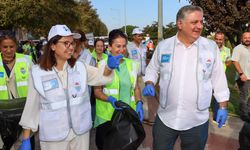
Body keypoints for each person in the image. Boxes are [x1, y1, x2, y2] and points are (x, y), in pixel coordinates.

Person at [19, 24, 123, 150]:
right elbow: (32, 106)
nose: (71, 47)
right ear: (52, 46)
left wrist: (108, 67)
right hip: (53, 137)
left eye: (72, 43)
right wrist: (26, 138)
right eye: (66, 43)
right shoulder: (37, 72)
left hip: (80, 133)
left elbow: (100, 76)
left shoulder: (80, 67)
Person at [143, 5, 230, 150]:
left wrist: (223, 106)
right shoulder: (164, 46)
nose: (199, 26)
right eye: (194, 22)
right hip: (166, 117)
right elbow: (152, 69)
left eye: (201, 22)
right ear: (180, 24)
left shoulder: (210, 47)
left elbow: (218, 78)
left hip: (196, 120)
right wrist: (149, 82)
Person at [94, 29, 144, 150]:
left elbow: (136, 87)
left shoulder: (132, 64)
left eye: (124, 46)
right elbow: (97, 92)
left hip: (127, 117)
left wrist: (139, 102)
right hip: (107, 119)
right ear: (110, 47)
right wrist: (110, 99)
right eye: (118, 46)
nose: (121, 49)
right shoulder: (101, 65)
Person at [0, 35, 32, 150]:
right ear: (0, 47)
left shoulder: (26, 60)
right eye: (5, 47)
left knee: (23, 143)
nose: (8, 50)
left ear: (16, 46)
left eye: (11, 46)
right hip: (2, 115)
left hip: (24, 113)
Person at [127, 28, 152, 123]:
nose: (140, 37)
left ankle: (145, 117)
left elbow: (145, 59)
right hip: (132, 76)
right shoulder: (128, 47)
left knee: (144, 96)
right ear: (133, 36)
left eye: (141, 35)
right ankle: (133, 116)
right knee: (133, 96)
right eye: (138, 35)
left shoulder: (144, 47)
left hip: (142, 75)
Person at [231, 31, 250, 150]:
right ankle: (244, 115)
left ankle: (248, 113)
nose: (247, 39)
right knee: (244, 96)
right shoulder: (238, 48)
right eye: (245, 37)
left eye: (249, 37)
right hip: (244, 77)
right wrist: (241, 73)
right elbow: (234, 61)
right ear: (242, 38)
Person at [212, 31, 232, 122]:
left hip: (220, 78)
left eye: (220, 39)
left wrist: (225, 63)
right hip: (208, 77)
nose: (218, 41)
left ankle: (217, 118)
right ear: (214, 39)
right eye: (216, 39)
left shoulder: (227, 50)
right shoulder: (209, 49)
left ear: (223, 40)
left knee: (219, 98)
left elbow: (228, 62)